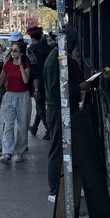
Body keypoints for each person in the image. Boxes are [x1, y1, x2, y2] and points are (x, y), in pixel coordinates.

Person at [44, 26, 88, 200]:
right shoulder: (54, 60)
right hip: (57, 109)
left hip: (63, 108)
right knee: (57, 149)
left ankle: (70, 185)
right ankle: (54, 189)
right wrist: (79, 87)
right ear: (68, 44)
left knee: (70, 148)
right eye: (73, 43)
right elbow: (55, 90)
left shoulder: (61, 58)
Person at [0, 38, 31, 164]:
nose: (13, 53)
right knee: (8, 125)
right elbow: (0, 82)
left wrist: (21, 65)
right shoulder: (7, 65)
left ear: (21, 53)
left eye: (16, 51)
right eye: (12, 50)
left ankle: (19, 152)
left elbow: (26, 80)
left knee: (23, 126)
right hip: (9, 96)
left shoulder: (26, 64)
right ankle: (6, 152)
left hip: (23, 97)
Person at [26, 26, 52, 137]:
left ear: (31, 37)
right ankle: (35, 127)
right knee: (40, 105)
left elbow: (32, 68)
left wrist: (35, 87)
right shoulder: (49, 48)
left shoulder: (31, 50)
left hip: (37, 81)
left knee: (40, 105)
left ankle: (49, 129)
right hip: (50, 79)